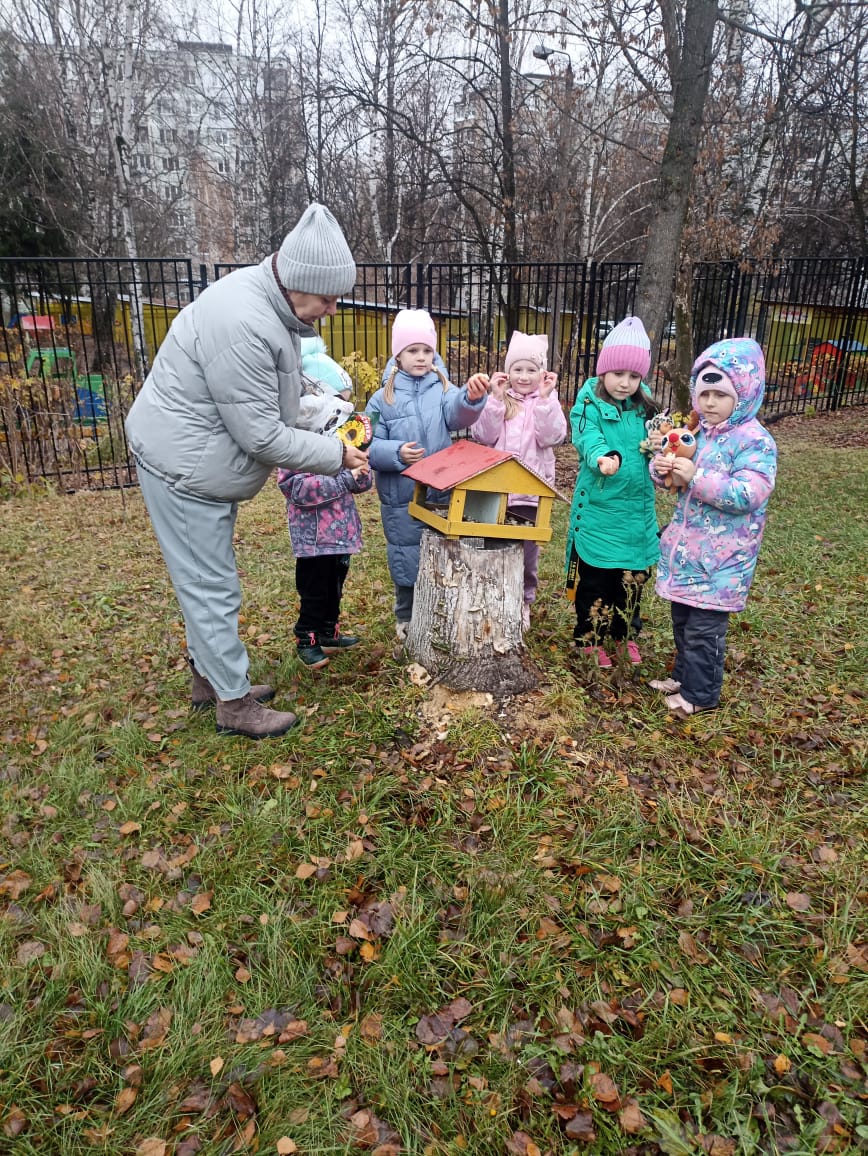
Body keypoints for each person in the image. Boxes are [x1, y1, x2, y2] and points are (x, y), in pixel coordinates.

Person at [125, 203, 369, 739]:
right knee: (211, 585)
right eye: (327, 297)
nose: (331, 309)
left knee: (203, 579)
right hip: (182, 466)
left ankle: (208, 680)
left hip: (199, 458)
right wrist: (335, 453)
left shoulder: (270, 306)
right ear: (299, 281)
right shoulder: (242, 321)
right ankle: (233, 704)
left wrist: (326, 412)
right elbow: (259, 434)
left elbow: (274, 396)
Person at [650, 338, 777, 718]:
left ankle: (701, 695)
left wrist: (697, 477)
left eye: (720, 395)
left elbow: (748, 494)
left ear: (745, 393)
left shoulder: (755, 441)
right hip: (689, 552)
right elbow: (679, 477)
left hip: (722, 560)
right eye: (703, 393)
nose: (709, 403)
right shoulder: (698, 432)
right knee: (684, 620)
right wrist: (664, 471)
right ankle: (684, 677)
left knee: (705, 631)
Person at [365, 308, 487, 639]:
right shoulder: (381, 401)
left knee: (442, 551)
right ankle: (405, 617)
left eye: (427, 350)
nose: (420, 357)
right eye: (412, 350)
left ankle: (441, 612)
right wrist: (395, 453)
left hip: (440, 491)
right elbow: (366, 445)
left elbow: (457, 415)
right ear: (398, 355)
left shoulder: (443, 389)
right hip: (400, 495)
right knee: (406, 554)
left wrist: (471, 398)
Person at [565, 316, 661, 667]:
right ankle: (588, 636)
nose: (625, 383)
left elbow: (658, 444)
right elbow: (587, 437)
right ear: (604, 370)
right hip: (601, 510)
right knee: (597, 580)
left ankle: (624, 635)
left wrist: (660, 449)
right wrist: (602, 456)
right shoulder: (588, 404)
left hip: (637, 513)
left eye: (634, 376)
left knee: (633, 580)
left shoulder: (646, 407)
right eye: (618, 373)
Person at [277, 344, 372, 671]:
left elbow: (359, 486)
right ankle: (307, 637)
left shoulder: (339, 446)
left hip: (341, 535)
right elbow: (300, 490)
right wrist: (345, 479)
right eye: (339, 406)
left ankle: (328, 632)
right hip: (313, 541)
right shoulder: (295, 447)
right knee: (315, 591)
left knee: (335, 588)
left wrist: (360, 474)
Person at [468, 331, 567, 629]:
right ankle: (491, 595)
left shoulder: (547, 402)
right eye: (518, 369)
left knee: (526, 552)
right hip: (497, 490)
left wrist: (547, 401)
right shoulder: (500, 400)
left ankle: (524, 601)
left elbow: (552, 437)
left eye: (531, 369)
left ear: (542, 373)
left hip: (531, 493)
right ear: (507, 372)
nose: (524, 376)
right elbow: (482, 435)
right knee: (493, 545)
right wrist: (495, 400)